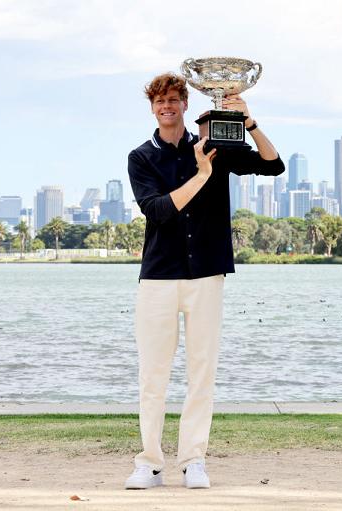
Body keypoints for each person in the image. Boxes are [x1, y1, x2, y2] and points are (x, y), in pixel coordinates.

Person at [124, 72, 284, 490]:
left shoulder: (215, 147)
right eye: (160, 101)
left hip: (207, 274)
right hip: (158, 277)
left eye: (175, 99)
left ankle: (194, 460)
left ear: (185, 105)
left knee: (202, 373)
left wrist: (249, 122)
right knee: (153, 376)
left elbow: (273, 164)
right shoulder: (141, 157)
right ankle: (151, 463)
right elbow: (158, 210)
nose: (168, 107)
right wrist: (200, 175)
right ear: (153, 108)